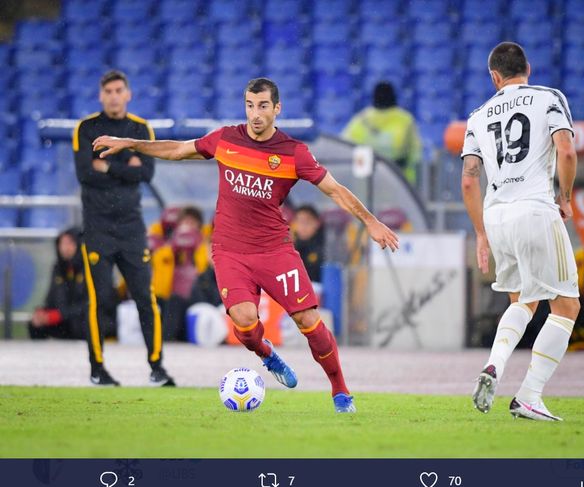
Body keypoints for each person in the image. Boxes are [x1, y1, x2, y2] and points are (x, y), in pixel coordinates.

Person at [92, 77, 399, 412]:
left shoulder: (294, 153)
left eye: (263, 106)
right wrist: (130, 142)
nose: (255, 114)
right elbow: (178, 150)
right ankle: (268, 355)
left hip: (275, 250)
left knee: (308, 322)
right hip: (229, 250)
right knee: (244, 322)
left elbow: (335, 189)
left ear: (277, 108)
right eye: (250, 105)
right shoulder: (226, 139)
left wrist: (370, 220)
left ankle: (340, 391)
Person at [461, 42, 580, 421]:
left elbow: (468, 181)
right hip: (534, 209)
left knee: (522, 302)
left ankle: (494, 365)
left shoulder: (477, 115)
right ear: (527, 67)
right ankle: (529, 395)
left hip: (497, 217)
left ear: (494, 77)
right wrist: (565, 196)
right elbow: (566, 151)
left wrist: (480, 233)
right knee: (566, 304)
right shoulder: (547, 98)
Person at [73, 70, 174, 387]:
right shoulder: (87, 128)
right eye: (109, 91)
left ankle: (157, 367)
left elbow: (146, 173)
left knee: (146, 298)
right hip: (98, 229)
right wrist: (125, 167)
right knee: (100, 300)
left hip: (131, 228)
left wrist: (108, 165)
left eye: (119, 90)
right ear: (101, 95)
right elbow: (86, 174)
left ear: (128, 94)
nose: (114, 96)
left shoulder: (141, 129)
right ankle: (97, 368)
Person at [29, 227, 114, 340]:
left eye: (69, 243)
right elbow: (51, 299)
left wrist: (61, 315)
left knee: (82, 324)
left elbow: (93, 302)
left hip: (86, 320)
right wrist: (43, 313)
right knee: (35, 325)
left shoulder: (91, 267)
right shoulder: (58, 269)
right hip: (66, 320)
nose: (65, 248)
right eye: (62, 243)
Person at [342, 81, 422, 185]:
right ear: (394, 97)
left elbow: (344, 149)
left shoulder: (360, 120)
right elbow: (416, 154)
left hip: (367, 187)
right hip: (399, 185)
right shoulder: (406, 121)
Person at [292, 204, 325, 283]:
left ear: (317, 223)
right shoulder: (291, 247)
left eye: (307, 222)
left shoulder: (324, 248)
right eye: (299, 222)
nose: (302, 226)